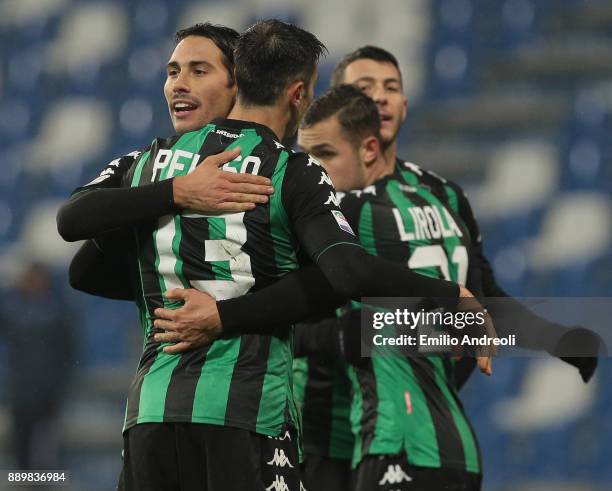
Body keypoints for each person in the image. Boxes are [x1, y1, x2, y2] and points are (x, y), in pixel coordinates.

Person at [59, 20, 491, 491]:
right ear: (299, 94)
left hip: (151, 412)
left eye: (196, 69)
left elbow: (81, 256)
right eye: (173, 70)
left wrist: (174, 282)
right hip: (247, 412)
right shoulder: (290, 170)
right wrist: (452, 295)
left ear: (236, 80)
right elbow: (344, 273)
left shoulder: (149, 161)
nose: (180, 83)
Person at [0, 263, 78, 471]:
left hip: (48, 390)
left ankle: (46, 481)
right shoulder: (12, 308)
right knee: (21, 445)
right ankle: (25, 481)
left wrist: (61, 380)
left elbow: (70, 350)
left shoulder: (57, 311)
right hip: (21, 389)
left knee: (48, 445)